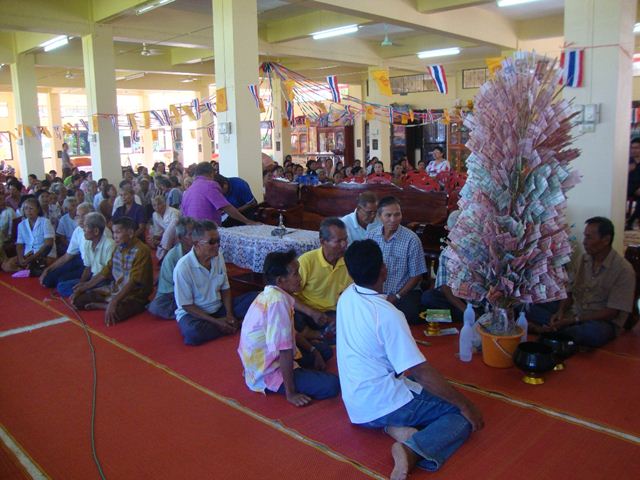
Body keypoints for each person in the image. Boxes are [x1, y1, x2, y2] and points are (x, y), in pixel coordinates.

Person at [337, 240, 483, 479]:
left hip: (355, 404)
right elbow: (420, 372)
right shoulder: (388, 314)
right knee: (460, 415)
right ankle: (412, 450)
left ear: (350, 272)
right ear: (383, 269)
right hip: (379, 402)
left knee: (427, 388)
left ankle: (392, 427)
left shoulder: (346, 296)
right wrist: (466, 405)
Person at [238, 250, 340, 406]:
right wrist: (291, 394)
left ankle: (302, 372)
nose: (300, 278)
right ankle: (286, 384)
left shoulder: (273, 293)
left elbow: (291, 333)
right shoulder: (277, 302)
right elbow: (284, 351)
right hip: (267, 370)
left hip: (262, 361)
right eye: (295, 274)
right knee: (332, 385)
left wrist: (313, 350)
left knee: (324, 351)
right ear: (280, 280)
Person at [529, 217, 635, 347]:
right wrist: (560, 311)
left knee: (591, 333)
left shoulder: (623, 270)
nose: (584, 242)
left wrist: (573, 320)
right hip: (573, 313)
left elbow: (612, 312)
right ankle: (558, 332)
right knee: (527, 306)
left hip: (600, 322)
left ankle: (552, 331)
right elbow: (569, 291)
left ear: (606, 240)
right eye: (585, 237)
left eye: (589, 238)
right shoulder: (583, 259)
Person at [71, 216, 153, 326]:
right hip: (116, 288)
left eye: (118, 232)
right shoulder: (118, 248)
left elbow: (133, 282)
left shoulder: (142, 251)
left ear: (130, 233)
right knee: (78, 301)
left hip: (135, 294)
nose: (115, 236)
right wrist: (85, 286)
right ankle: (107, 304)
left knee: (117, 313)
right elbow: (106, 271)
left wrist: (114, 301)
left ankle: (107, 304)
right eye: (114, 232)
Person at [173, 221, 239, 345]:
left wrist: (229, 314)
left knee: (254, 299)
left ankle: (226, 323)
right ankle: (231, 325)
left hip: (218, 308)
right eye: (212, 242)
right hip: (195, 314)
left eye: (218, 241)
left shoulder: (218, 257)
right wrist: (217, 322)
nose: (217, 245)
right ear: (196, 244)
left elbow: (225, 288)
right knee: (193, 333)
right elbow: (186, 305)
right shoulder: (183, 267)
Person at [367, 197, 427, 324]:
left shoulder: (412, 240)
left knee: (407, 314)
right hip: (377, 293)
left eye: (397, 214)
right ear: (379, 216)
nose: (393, 219)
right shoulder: (371, 236)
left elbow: (416, 275)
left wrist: (397, 296)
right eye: (388, 215)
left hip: (403, 293)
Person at [294, 218, 352, 340]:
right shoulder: (307, 261)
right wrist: (311, 312)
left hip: (330, 315)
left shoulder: (349, 263)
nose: (344, 245)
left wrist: (339, 317)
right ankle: (315, 336)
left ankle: (317, 338)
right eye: (338, 241)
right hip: (306, 311)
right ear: (323, 241)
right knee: (290, 314)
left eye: (345, 239)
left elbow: (351, 297)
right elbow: (288, 295)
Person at [148, 217, 196, 319]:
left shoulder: (202, 249)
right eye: (191, 234)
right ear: (181, 238)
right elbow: (168, 289)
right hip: (179, 293)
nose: (196, 237)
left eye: (196, 233)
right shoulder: (172, 257)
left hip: (200, 291)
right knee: (156, 307)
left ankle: (191, 311)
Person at [181, 162, 257, 226]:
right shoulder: (210, 184)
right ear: (211, 173)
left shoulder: (188, 190)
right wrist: (248, 221)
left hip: (191, 230)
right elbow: (227, 208)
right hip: (207, 230)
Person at [40, 202, 94, 292]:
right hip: (80, 259)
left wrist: (83, 281)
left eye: (84, 216)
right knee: (48, 280)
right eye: (78, 216)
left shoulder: (97, 231)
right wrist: (48, 269)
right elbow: (68, 255)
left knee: (62, 282)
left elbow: (94, 264)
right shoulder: (78, 230)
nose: (80, 219)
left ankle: (90, 288)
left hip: (92, 266)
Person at [62, 212, 115, 298]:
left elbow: (107, 274)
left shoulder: (110, 245)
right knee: (62, 286)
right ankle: (89, 293)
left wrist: (86, 286)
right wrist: (82, 284)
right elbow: (88, 268)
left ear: (96, 231)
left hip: (105, 280)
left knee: (80, 297)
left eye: (86, 226)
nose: (83, 229)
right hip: (93, 278)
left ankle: (91, 293)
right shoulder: (88, 243)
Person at [1, 197, 57, 273]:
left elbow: (48, 244)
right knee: (5, 265)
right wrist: (21, 258)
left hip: (44, 255)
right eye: (26, 208)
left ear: (38, 210)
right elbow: (19, 245)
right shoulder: (21, 225)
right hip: (27, 255)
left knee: (38, 264)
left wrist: (32, 258)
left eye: (31, 208)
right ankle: (24, 270)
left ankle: (29, 269)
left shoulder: (45, 222)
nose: (28, 211)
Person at [150, 195, 180, 260]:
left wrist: (163, 245)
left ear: (164, 204)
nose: (157, 207)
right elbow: (158, 231)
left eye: (159, 204)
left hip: (178, 237)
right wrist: (153, 239)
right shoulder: (155, 215)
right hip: (166, 239)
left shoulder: (174, 212)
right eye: (154, 205)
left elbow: (170, 231)